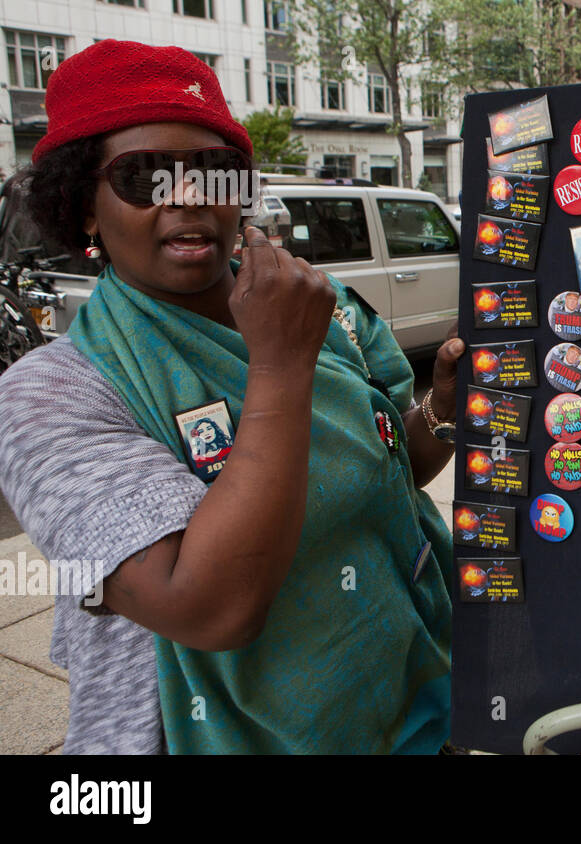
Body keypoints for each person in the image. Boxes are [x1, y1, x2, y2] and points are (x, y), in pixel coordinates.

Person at [0, 40, 465, 754]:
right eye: (143, 176)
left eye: (216, 174)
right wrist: (280, 366)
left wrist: (442, 408)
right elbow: (209, 607)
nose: (187, 197)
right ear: (83, 208)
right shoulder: (55, 394)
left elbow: (387, 470)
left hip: (416, 702)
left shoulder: (324, 306)